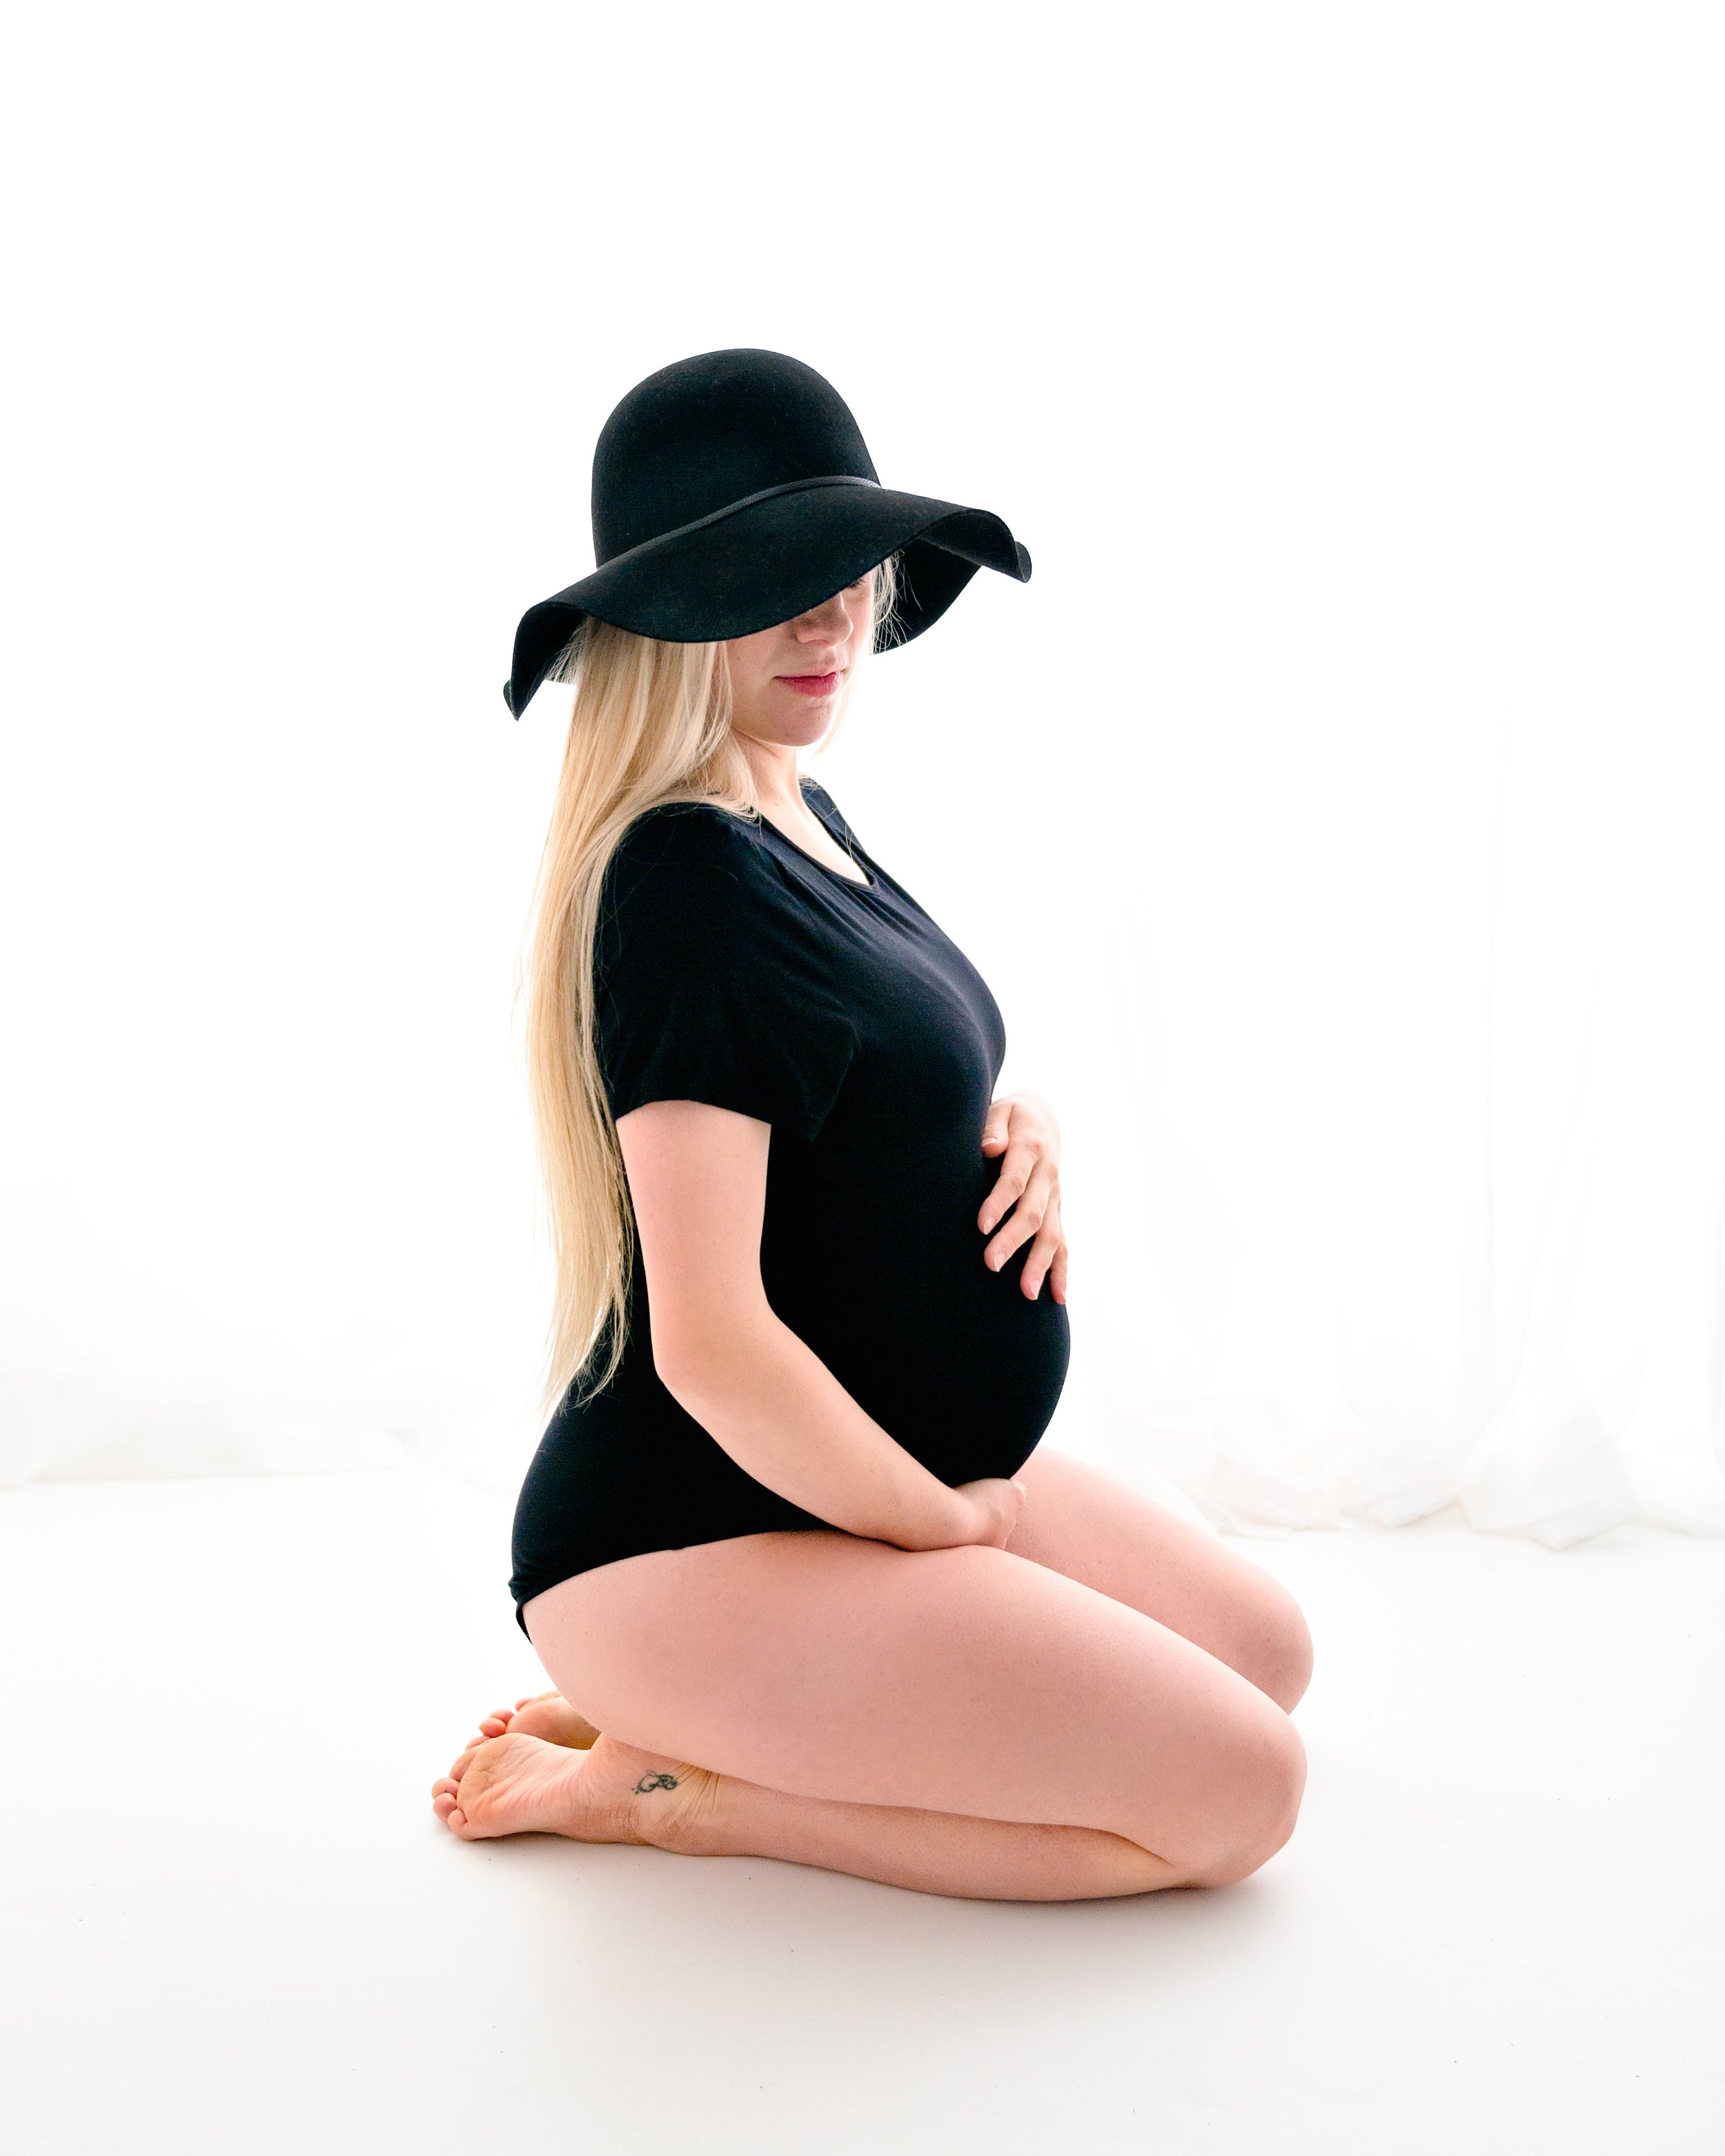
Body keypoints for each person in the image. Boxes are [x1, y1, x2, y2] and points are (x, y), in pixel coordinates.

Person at [431, 350, 1313, 1901]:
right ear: (665, 614)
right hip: (690, 1540)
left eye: (843, 564)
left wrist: (1012, 1119)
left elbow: (858, 1085)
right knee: (1238, 1797)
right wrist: (941, 1529)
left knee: (1267, 1656)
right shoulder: (680, 880)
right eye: (768, 578)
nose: (831, 612)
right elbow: (710, 1345)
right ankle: (668, 1790)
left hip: (883, 1475)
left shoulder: (790, 805)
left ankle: (749, 1716)